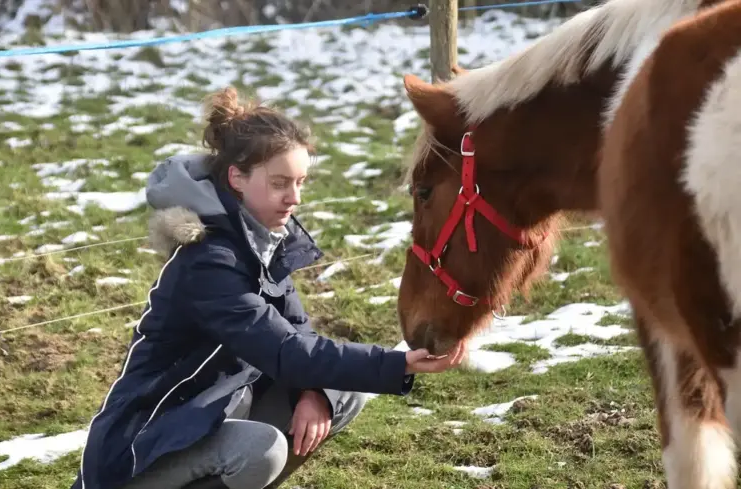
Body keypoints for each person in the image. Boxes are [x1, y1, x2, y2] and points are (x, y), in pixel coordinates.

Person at [70, 86, 465, 489]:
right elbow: (285, 350)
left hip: (213, 412)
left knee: (338, 393)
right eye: (280, 183)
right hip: (143, 446)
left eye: (301, 182)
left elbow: (300, 333)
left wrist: (314, 392)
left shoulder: (262, 241)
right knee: (261, 449)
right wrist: (398, 363)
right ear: (237, 178)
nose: (294, 198)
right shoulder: (210, 261)